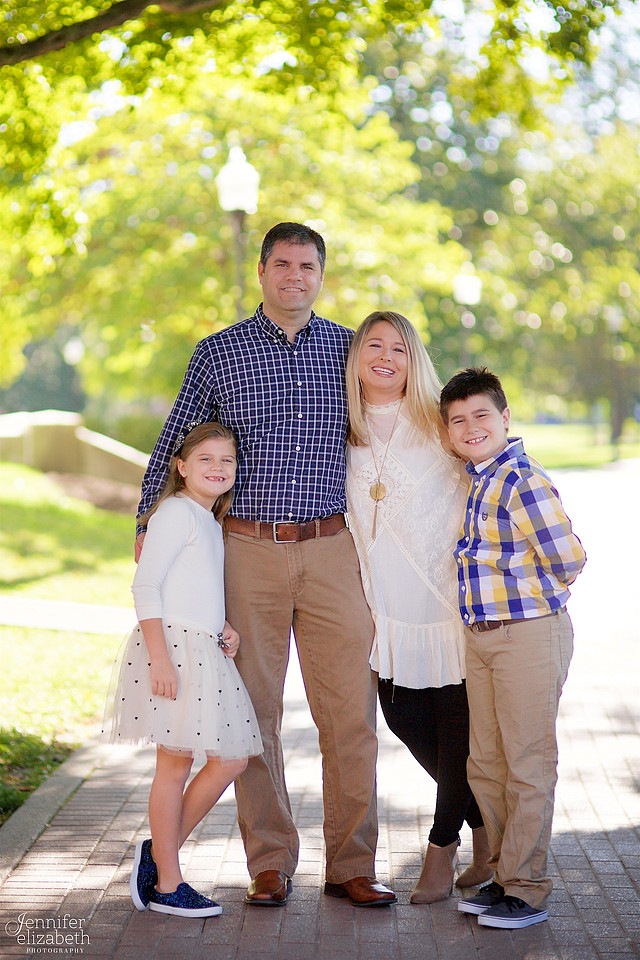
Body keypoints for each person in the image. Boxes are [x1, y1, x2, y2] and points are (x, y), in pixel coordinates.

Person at [135, 222, 396, 908]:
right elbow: (173, 443)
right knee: (251, 716)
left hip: (333, 547)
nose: (295, 277)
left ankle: (352, 864)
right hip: (246, 550)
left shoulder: (347, 348)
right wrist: (146, 525)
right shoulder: (218, 352)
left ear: (321, 274)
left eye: (307, 265)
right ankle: (271, 862)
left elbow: (400, 420)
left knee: (349, 711)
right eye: (282, 264)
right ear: (262, 271)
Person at [345, 312, 491, 905]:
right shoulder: (341, 430)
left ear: (415, 360)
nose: (385, 356)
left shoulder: (438, 424)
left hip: (443, 599)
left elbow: (489, 470)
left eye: (399, 348)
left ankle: (441, 847)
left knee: (456, 732)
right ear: (356, 357)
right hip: (386, 606)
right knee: (403, 718)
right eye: (373, 345)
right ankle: (490, 833)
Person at [439, 367, 586, 930]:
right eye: (458, 420)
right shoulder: (480, 478)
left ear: (505, 418)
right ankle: (503, 876)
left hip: (526, 633)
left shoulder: (520, 478)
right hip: (482, 638)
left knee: (527, 763)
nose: (471, 426)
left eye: (481, 415)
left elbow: (569, 558)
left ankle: (527, 887)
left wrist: (529, 594)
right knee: (488, 762)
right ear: (449, 432)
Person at [105, 422, 262, 918]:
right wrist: (159, 658)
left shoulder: (207, 519)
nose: (218, 468)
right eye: (206, 460)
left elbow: (193, 587)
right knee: (175, 764)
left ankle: (159, 852)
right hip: (172, 649)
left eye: (227, 461)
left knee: (231, 758)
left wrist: (225, 626)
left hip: (203, 645)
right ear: (181, 467)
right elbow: (145, 587)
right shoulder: (175, 513)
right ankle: (168, 883)